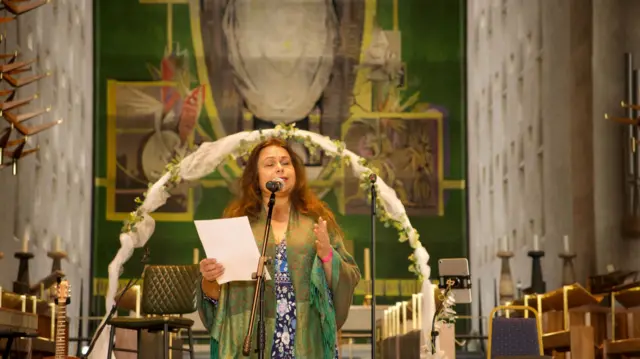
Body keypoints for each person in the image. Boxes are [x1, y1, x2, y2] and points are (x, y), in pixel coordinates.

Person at [198, 138, 361, 358]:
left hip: (305, 335)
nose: (279, 168)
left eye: (286, 162)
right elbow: (219, 299)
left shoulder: (316, 222)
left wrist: (327, 256)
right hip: (254, 334)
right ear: (256, 178)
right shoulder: (239, 224)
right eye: (270, 163)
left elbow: (350, 276)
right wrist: (209, 278)